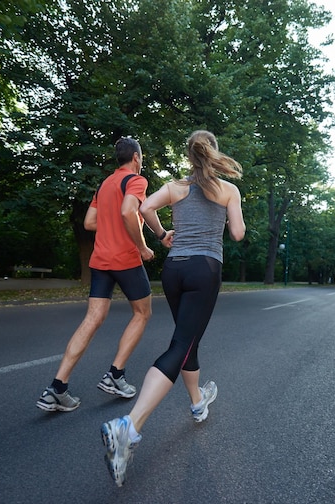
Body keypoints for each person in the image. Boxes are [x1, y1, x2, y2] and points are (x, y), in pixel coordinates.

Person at [100, 130, 246, 486]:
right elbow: (238, 234)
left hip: (174, 270)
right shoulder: (228, 190)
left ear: (189, 154)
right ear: (213, 153)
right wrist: (227, 217)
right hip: (204, 270)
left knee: (186, 340)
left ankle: (198, 402)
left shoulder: (175, 187)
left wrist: (163, 234)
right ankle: (128, 427)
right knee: (181, 344)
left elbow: (144, 208)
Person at [36, 137, 155, 412]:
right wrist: (142, 246)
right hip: (125, 258)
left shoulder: (105, 184)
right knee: (142, 313)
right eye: (142, 156)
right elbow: (128, 211)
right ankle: (116, 375)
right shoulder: (136, 180)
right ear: (136, 158)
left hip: (100, 260)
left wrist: (113, 221)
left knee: (92, 319)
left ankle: (57, 387)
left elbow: (90, 222)